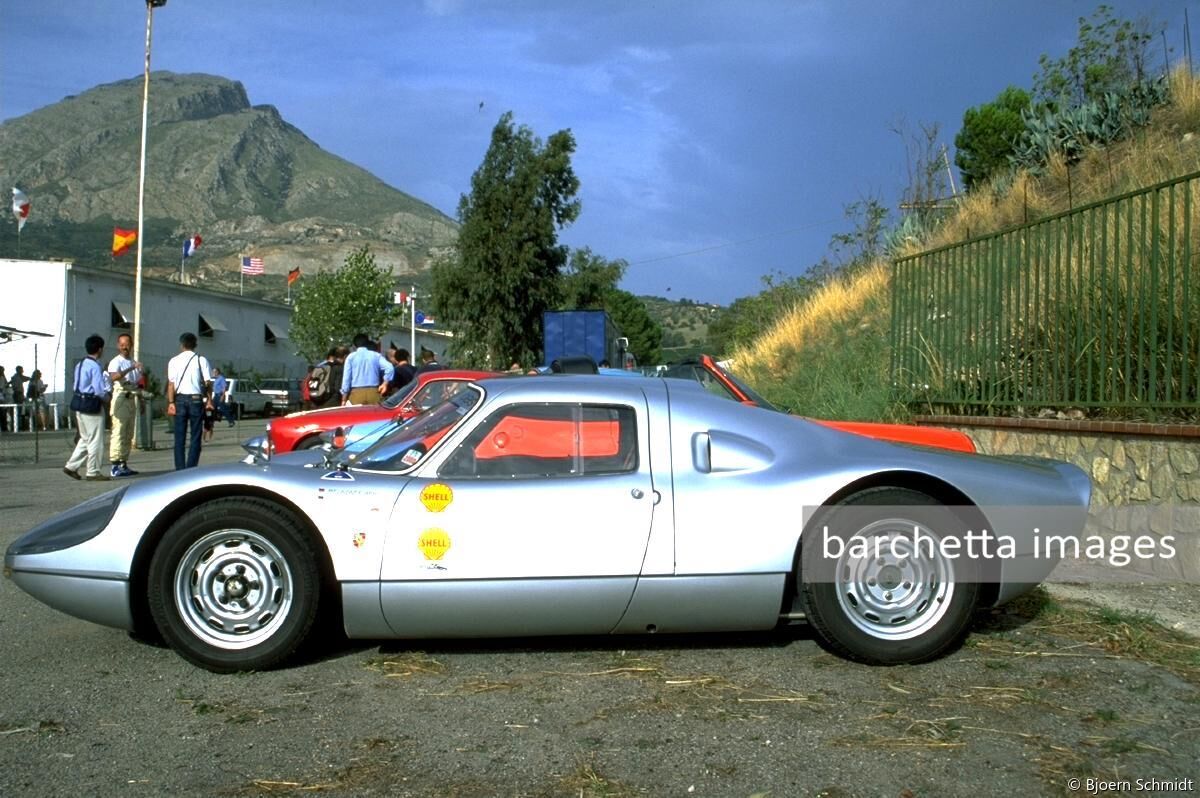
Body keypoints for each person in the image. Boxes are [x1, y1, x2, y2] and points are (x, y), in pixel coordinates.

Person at [166, 331, 214, 470]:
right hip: (196, 399)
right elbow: (208, 383)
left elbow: (171, 384)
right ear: (195, 345)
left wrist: (171, 403)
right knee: (195, 436)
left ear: (181, 345)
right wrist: (209, 400)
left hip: (179, 399)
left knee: (179, 437)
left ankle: (180, 469)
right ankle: (191, 467)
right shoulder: (201, 360)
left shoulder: (174, 361)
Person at [64, 335, 108, 481]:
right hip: (91, 404)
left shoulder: (81, 364)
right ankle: (93, 471)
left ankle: (72, 466)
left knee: (85, 438)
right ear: (100, 349)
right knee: (95, 439)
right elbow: (99, 390)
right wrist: (108, 398)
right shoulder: (95, 366)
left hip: (79, 402)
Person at [106, 332, 144, 478]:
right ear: (118, 346)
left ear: (131, 344)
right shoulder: (116, 362)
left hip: (131, 398)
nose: (124, 347)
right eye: (121, 345)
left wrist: (140, 401)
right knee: (119, 431)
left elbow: (137, 384)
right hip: (120, 398)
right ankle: (115, 465)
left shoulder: (133, 361)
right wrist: (130, 369)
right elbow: (114, 377)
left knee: (128, 433)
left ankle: (123, 463)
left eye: (126, 344)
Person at [340, 333, 393, 405]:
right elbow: (390, 368)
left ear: (354, 345)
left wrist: (344, 398)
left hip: (356, 393)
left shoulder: (351, 357)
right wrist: (385, 383)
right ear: (367, 343)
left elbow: (346, 379)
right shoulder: (376, 355)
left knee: (357, 416)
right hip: (374, 392)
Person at [0, 365, 9, 433]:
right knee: (2, 412)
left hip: (3, 395)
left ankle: (4, 427)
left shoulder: (3, 377)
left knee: (4, 412)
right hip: (1, 396)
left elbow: (6, 384)